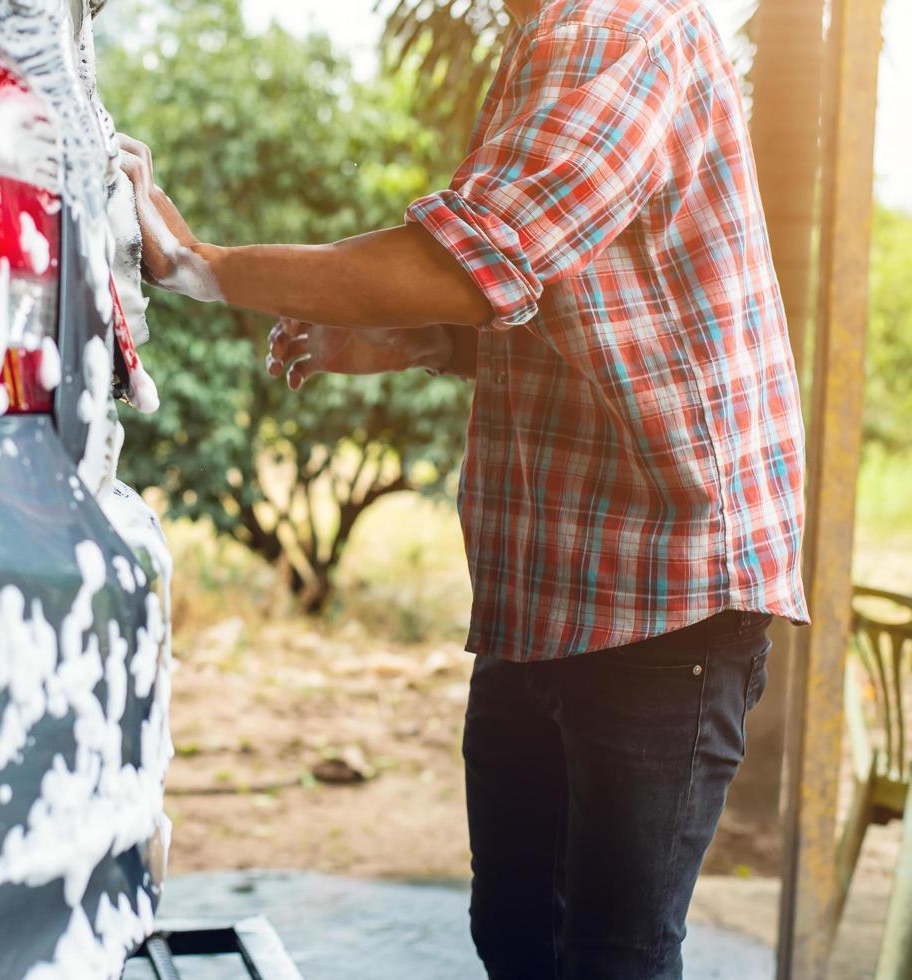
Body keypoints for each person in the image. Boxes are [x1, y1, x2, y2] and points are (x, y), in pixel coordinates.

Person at [116, 0, 809, 972]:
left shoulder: (619, 26)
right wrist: (409, 338)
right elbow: (587, 293)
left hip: (664, 586)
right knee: (514, 933)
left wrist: (199, 265)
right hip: (546, 586)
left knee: (610, 953)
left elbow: (474, 256)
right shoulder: (544, 36)